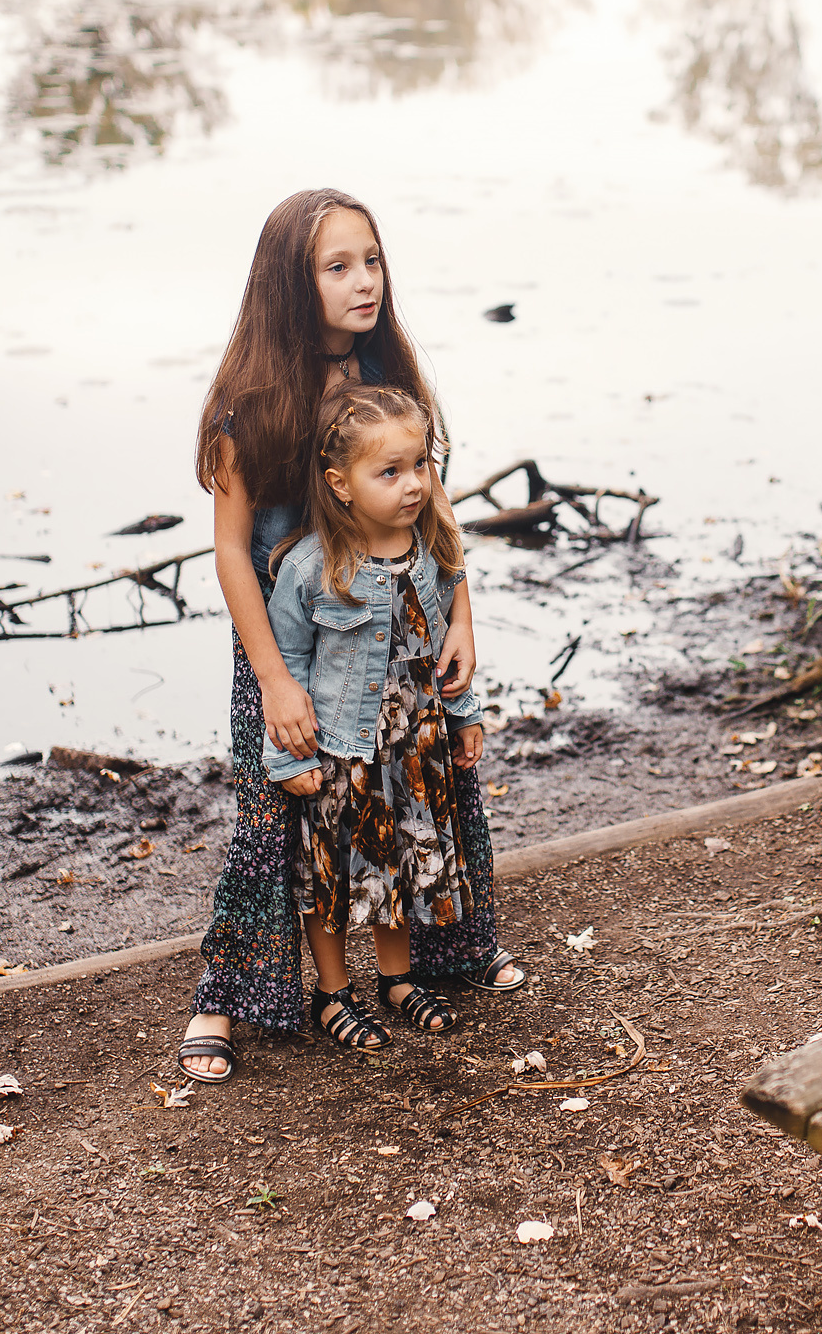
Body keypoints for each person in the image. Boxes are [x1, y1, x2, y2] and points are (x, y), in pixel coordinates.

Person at [175, 189, 523, 1085]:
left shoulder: (384, 370)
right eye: (338, 267)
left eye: (371, 260)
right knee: (276, 811)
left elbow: (432, 499)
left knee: (428, 783)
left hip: (397, 626)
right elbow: (229, 553)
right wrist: (275, 682)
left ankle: (444, 956)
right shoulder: (246, 401)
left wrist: (463, 620)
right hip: (289, 642)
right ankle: (230, 991)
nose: (363, 281)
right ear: (292, 284)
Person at [264, 383, 487, 1048]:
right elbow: (289, 668)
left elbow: (447, 643)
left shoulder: (429, 548)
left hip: (414, 749)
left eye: (418, 465)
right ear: (340, 483)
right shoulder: (313, 568)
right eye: (389, 472)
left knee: (400, 868)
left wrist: (464, 713)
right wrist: (290, 757)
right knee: (332, 878)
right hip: (346, 755)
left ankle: (398, 977)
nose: (413, 483)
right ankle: (332, 993)